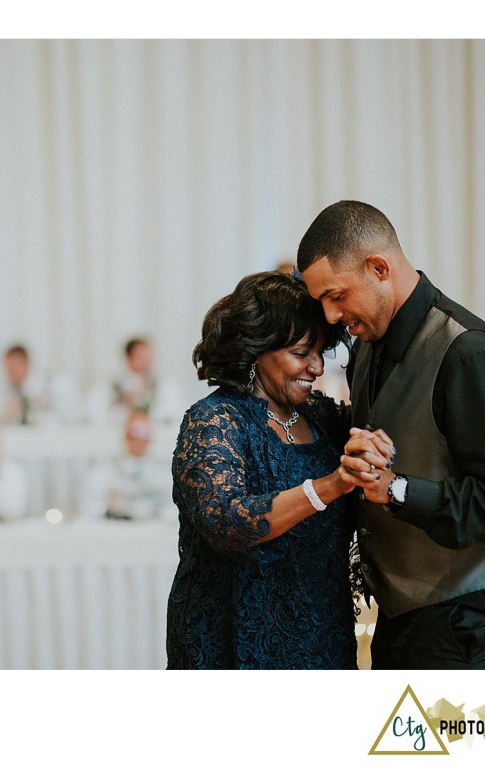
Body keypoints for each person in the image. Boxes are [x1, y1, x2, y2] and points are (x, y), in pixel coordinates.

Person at [298, 199, 485, 669]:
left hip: (475, 616)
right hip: (407, 610)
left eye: (336, 296)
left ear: (378, 268)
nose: (331, 317)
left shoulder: (472, 354)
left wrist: (395, 488)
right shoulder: (369, 343)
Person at [166, 271, 367, 669]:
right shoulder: (216, 421)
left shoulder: (324, 419)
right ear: (256, 350)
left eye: (320, 353)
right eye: (300, 353)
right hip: (233, 640)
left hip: (323, 635)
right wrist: (328, 486)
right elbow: (226, 520)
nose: (316, 368)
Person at [80, 412, 176, 521]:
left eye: (144, 436)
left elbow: (170, 511)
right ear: (126, 436)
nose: (139, 441)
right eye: (135, 435)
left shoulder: (163, 474)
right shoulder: (103, 472)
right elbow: (92, 511)